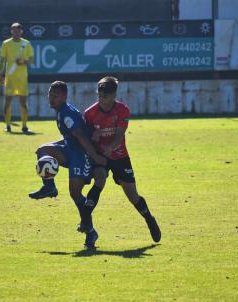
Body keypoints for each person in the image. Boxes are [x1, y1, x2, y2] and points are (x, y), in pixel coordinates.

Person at [29, 81, 107, 249]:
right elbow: (70, 137)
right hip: (70, 149)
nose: (51, 98)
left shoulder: (66, 113)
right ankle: (49, 187)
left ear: (64, 96)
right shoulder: (61, 111)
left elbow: (80, 136)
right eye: (50, 94)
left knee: (75, 193)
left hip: (81, 155)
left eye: (55, 95)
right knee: (42, 151)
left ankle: (90, 230)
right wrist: (54, 145)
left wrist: (94, 157)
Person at [82, 76, 161, 243]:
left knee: (132, 195)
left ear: (113, 95)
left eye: (105, 96)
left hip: (119, 156)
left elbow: (119, 137)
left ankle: (149, 219)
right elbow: (86, 138)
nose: (101, 100)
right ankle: (85, 218)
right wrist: (94, 139)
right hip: (100, 156)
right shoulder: (89, 114)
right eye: (99, 96)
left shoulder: (122, 110)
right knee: (100, 180)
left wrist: (108, 148)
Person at [0, 22, 34, 134]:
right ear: (11, 32)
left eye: (18, 30)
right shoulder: (6, 44)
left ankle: (24, 126)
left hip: (22, 78)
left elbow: (31, 60)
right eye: (13, 30)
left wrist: (22, 61)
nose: (16, 32)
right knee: (8, 101)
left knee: (23, 102)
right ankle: (8, 126)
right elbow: (2, 60)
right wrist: (0, 73)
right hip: (10, 77)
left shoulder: (26, 44)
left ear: (21, 31)